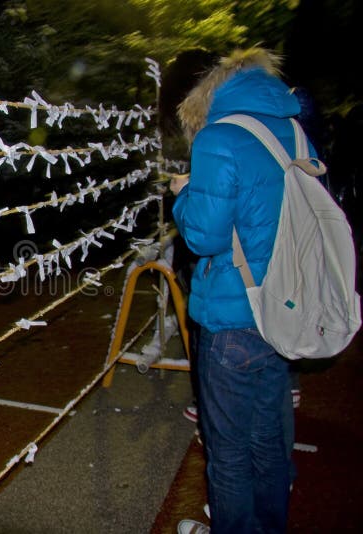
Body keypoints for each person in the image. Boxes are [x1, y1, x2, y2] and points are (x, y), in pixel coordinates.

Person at [169, 47, 316, 534]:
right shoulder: (292, 129)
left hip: (232, 315)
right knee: (269, 440)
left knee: (227, 451)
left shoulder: (218, 137)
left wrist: (184, 193)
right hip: (285, 304)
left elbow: (203, 237)